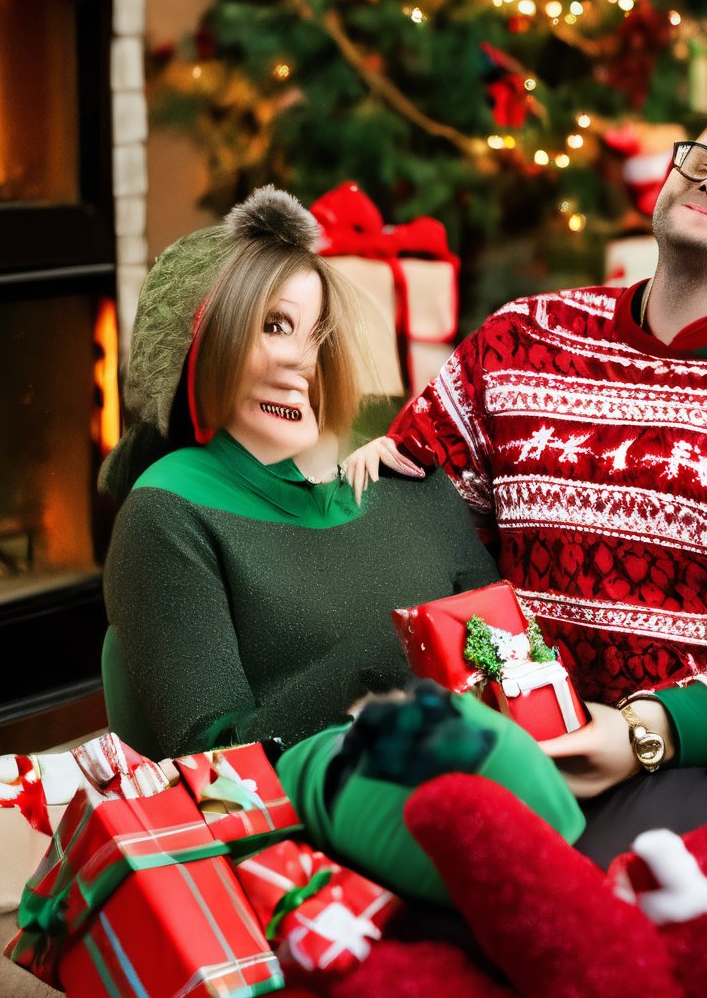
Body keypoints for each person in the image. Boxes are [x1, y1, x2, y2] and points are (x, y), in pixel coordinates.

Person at [347, 108, 707, 864]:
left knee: (592, 913)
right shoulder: (522, 340)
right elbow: (425, 530)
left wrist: (651, 730)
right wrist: (372, 478)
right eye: (704, 158)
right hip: (516, 728)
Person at [99, 185, 509, 759]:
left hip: (513, 773)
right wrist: (384, 655)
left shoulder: (406, 484)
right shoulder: (168, 511)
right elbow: (216, 766)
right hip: (325, 823)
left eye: (315, 335)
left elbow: (516, 658)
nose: (303, 361)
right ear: (202, 342)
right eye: (273, 326)